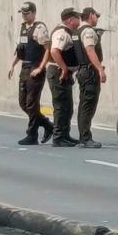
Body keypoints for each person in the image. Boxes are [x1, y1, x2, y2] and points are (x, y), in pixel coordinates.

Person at [8, 2, 54, 145]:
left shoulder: (39, 28)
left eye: (27, 13)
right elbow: (20, 50)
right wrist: (12, 65)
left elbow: (47, 49)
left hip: (35, 67)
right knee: (23, 103)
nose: (24, 16)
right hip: (25, 67)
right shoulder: (23, 28)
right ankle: (47, 124)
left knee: (32, 104)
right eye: (23, 13)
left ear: (34, 13)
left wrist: (40, 67)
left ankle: (32, 134)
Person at [72, 7, 107, 149]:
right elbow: (90, 50)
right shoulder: (88, 31)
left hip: (82, 71)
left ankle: (83, 136)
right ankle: (86, 138)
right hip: (89, 72)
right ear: (91, 15)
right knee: (88, 105)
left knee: (84, 105)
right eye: (96, 16)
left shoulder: (77, 31)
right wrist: (100, 69)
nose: (97, 19)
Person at [48, 8, 82, 147]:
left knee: (67, 107)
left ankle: (65, 135)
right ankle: (58, 137)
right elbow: (54, 51)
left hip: (63, 73)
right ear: (70, 20)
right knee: (61, 106)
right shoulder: (61, 32)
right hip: (58, 73)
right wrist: (64, 68)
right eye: (77, 18)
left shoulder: (68, 32)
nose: (79, 21)